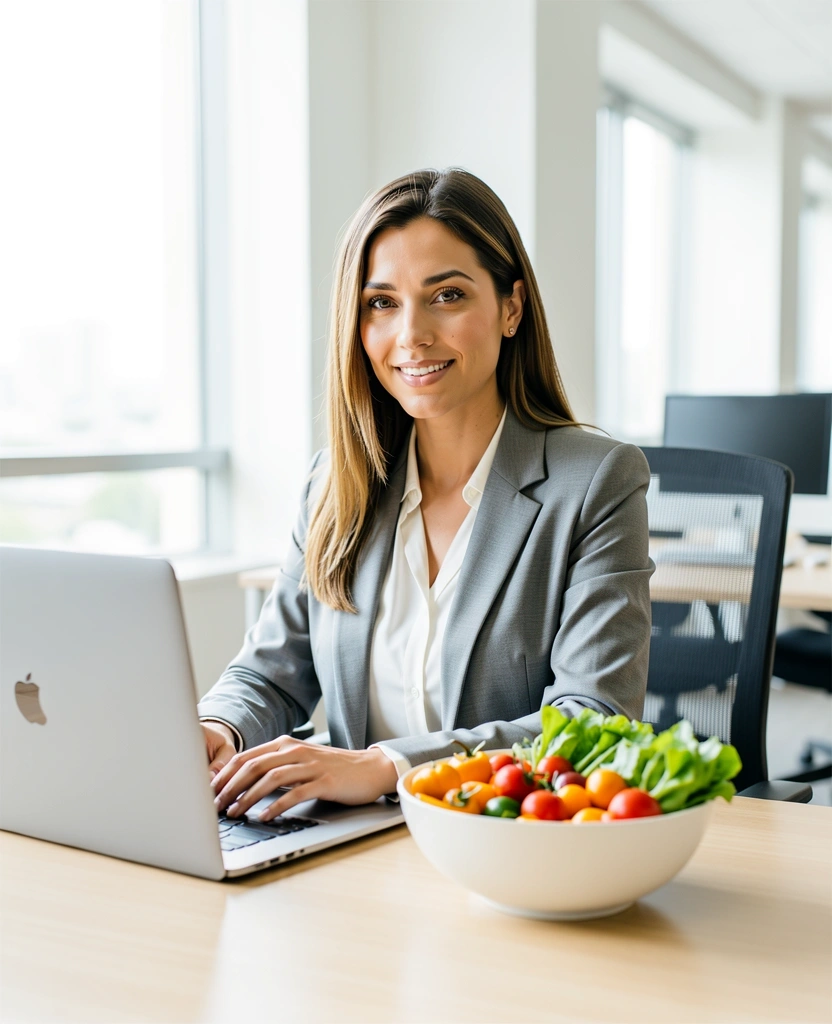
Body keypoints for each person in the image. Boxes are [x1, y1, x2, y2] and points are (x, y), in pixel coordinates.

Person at [201, 168, 654, 823]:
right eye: (382, 303)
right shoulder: (335, 484)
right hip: (349, 845)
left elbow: (594, 720)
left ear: (511, 308)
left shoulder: (596, 482)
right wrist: (217, 727)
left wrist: (389, 766)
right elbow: (270, 672)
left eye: (447, 295)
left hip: (505, 845)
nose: (411, 334)